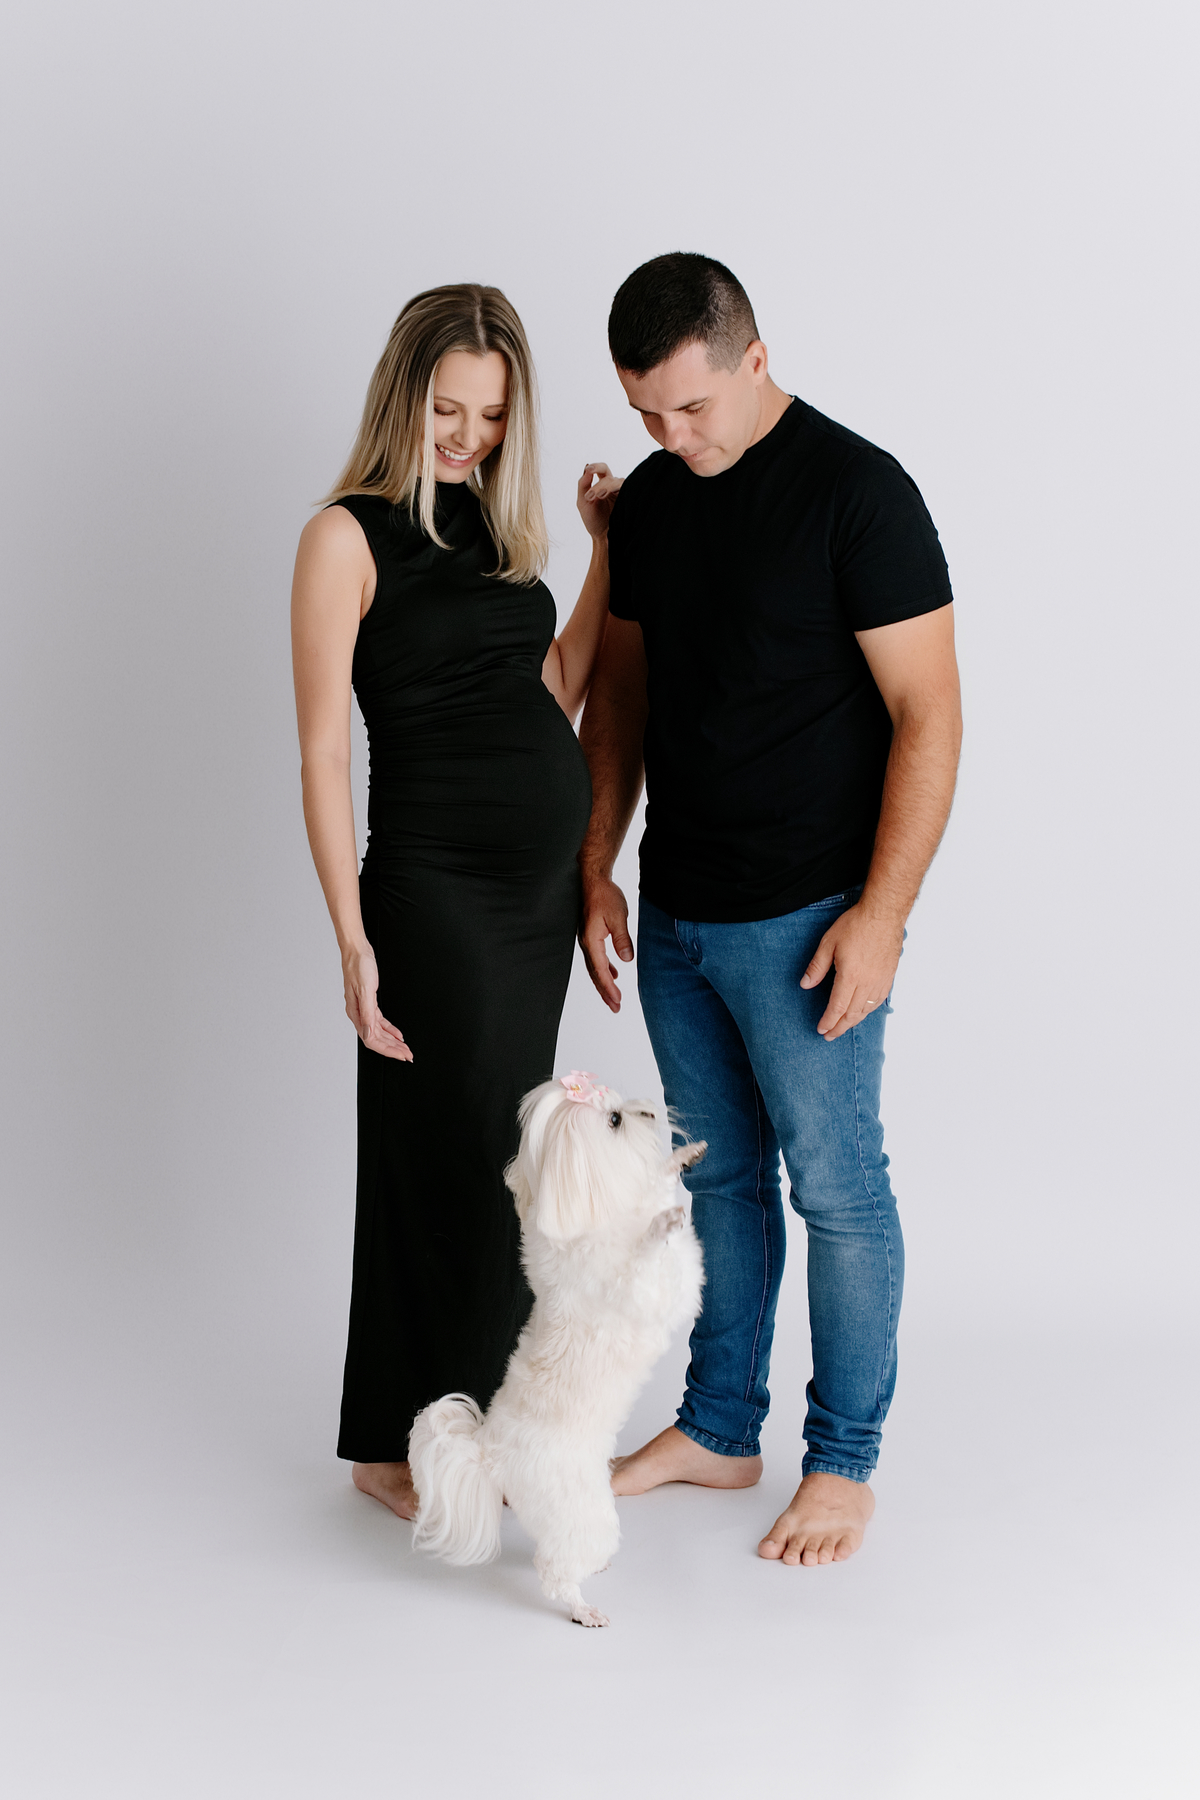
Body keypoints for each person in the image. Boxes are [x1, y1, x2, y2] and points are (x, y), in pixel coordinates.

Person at [578, 253, 962, 1567]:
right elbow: (622, 697)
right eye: (646, 415)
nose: (672, 438)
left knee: (837, 1191)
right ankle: (720, 1427)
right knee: (718, 1181)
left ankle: (843, 1463)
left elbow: (930, 714)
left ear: (754, 358)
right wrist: (596, 863)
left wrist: (884, 914)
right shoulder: (650, 504)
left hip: (812, 921)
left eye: (693, 408)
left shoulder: (860, 493)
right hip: (680, 911)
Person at [291, 284, 621, 1520]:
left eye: (490, 416)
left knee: (502, 1157)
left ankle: (472, 1432)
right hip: (434, 889)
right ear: (402, 395)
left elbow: (559, 685)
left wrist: (602, 551)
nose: (468, 436)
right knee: (448, 1153)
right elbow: (324, 751)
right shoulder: (343, 538)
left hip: (532, 902)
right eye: (447, 409)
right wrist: (350, 936)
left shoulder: (493, 530)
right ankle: (401, 1444)